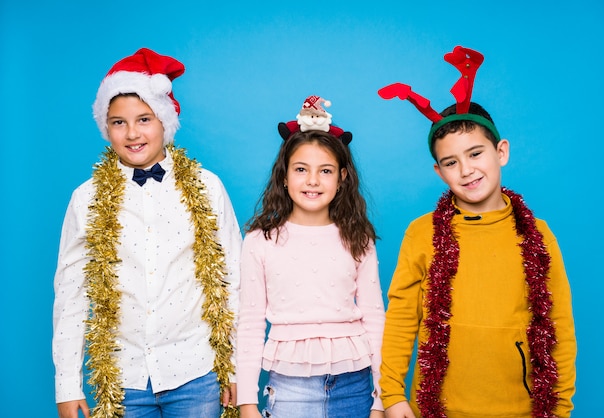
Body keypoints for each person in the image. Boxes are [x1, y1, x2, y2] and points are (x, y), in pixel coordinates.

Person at [377, 46, 576, 418]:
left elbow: (558, 323)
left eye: (475, 154)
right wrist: (392, 394)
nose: (466, 170)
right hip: (438, 408)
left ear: (501, 151)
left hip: (520, 407)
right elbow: (402, 316)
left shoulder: (538, 235)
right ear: (439, 172)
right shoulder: (422, 233)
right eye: (451, 162)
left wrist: (560, 407)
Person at [52, 48, 241, 418]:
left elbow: (232, 279)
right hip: (122, 377)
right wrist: (67, 386)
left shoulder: (206, 186)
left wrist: (234, 366)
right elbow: (71, 294)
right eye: (118, 122)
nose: (133, 133)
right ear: (105, 127)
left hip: (195, 371)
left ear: (165, 123)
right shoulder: (86, 198)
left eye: (144, 119)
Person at [236, 96, 386, 418]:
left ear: (342, 177)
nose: (313, 181)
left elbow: (375, 319)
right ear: (285, 175)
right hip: (290, 388)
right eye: (301, 169)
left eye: (326, 170)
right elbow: (249, 323)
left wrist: (379, 400)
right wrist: (246, 401)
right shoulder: (260, 241)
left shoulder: (358, 238)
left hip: (355, 384)